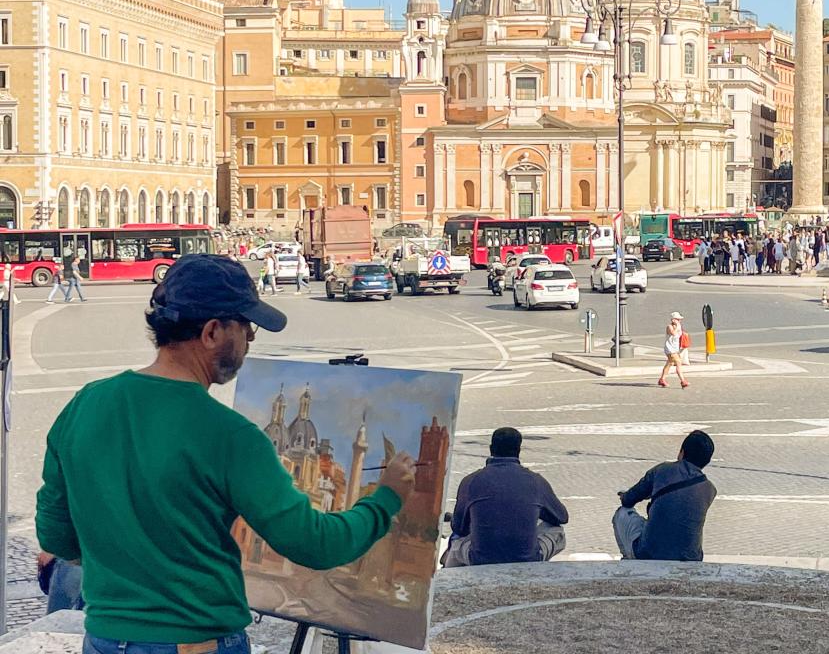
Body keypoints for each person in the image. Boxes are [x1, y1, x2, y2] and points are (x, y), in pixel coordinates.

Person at [36, 255, 416, 654]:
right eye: (246, 327)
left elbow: (57, 537)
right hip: (196, 642)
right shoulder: (230, 435)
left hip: (105, 640)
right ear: (213, 331)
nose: (251, 339)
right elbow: (315, 544)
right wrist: (385, 498)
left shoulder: (85, 405)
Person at [444, 427, 568, 567]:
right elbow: (562, 517)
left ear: (491, 449)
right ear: (519, 450)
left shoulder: (471, 481)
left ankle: (446, 578)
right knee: (557, 531)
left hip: (479, 559)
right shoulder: (535, 481)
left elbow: (459, 528)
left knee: (457, 542)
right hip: (528, 559)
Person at [612, 430, 717, 562]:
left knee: (622, 513)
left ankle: (629, 561)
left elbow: (628, 500)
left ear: (682, 452)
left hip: (649, 553)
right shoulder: (709, 489)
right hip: (691, 558)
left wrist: (625, 496)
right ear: (706, 461)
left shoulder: (662, 470)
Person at [659, 312, 688, 389]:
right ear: (673, 320)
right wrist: (677, 327)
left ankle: (662, 379)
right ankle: (683, 381)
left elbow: (680, 335)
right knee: (678, 362)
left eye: (679, 320)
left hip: (675, 348)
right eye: (678, 319)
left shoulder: (679, 326)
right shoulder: (669, 327)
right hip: (670, 349)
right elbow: (674, 333)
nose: (679, 321)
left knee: (669, 363)